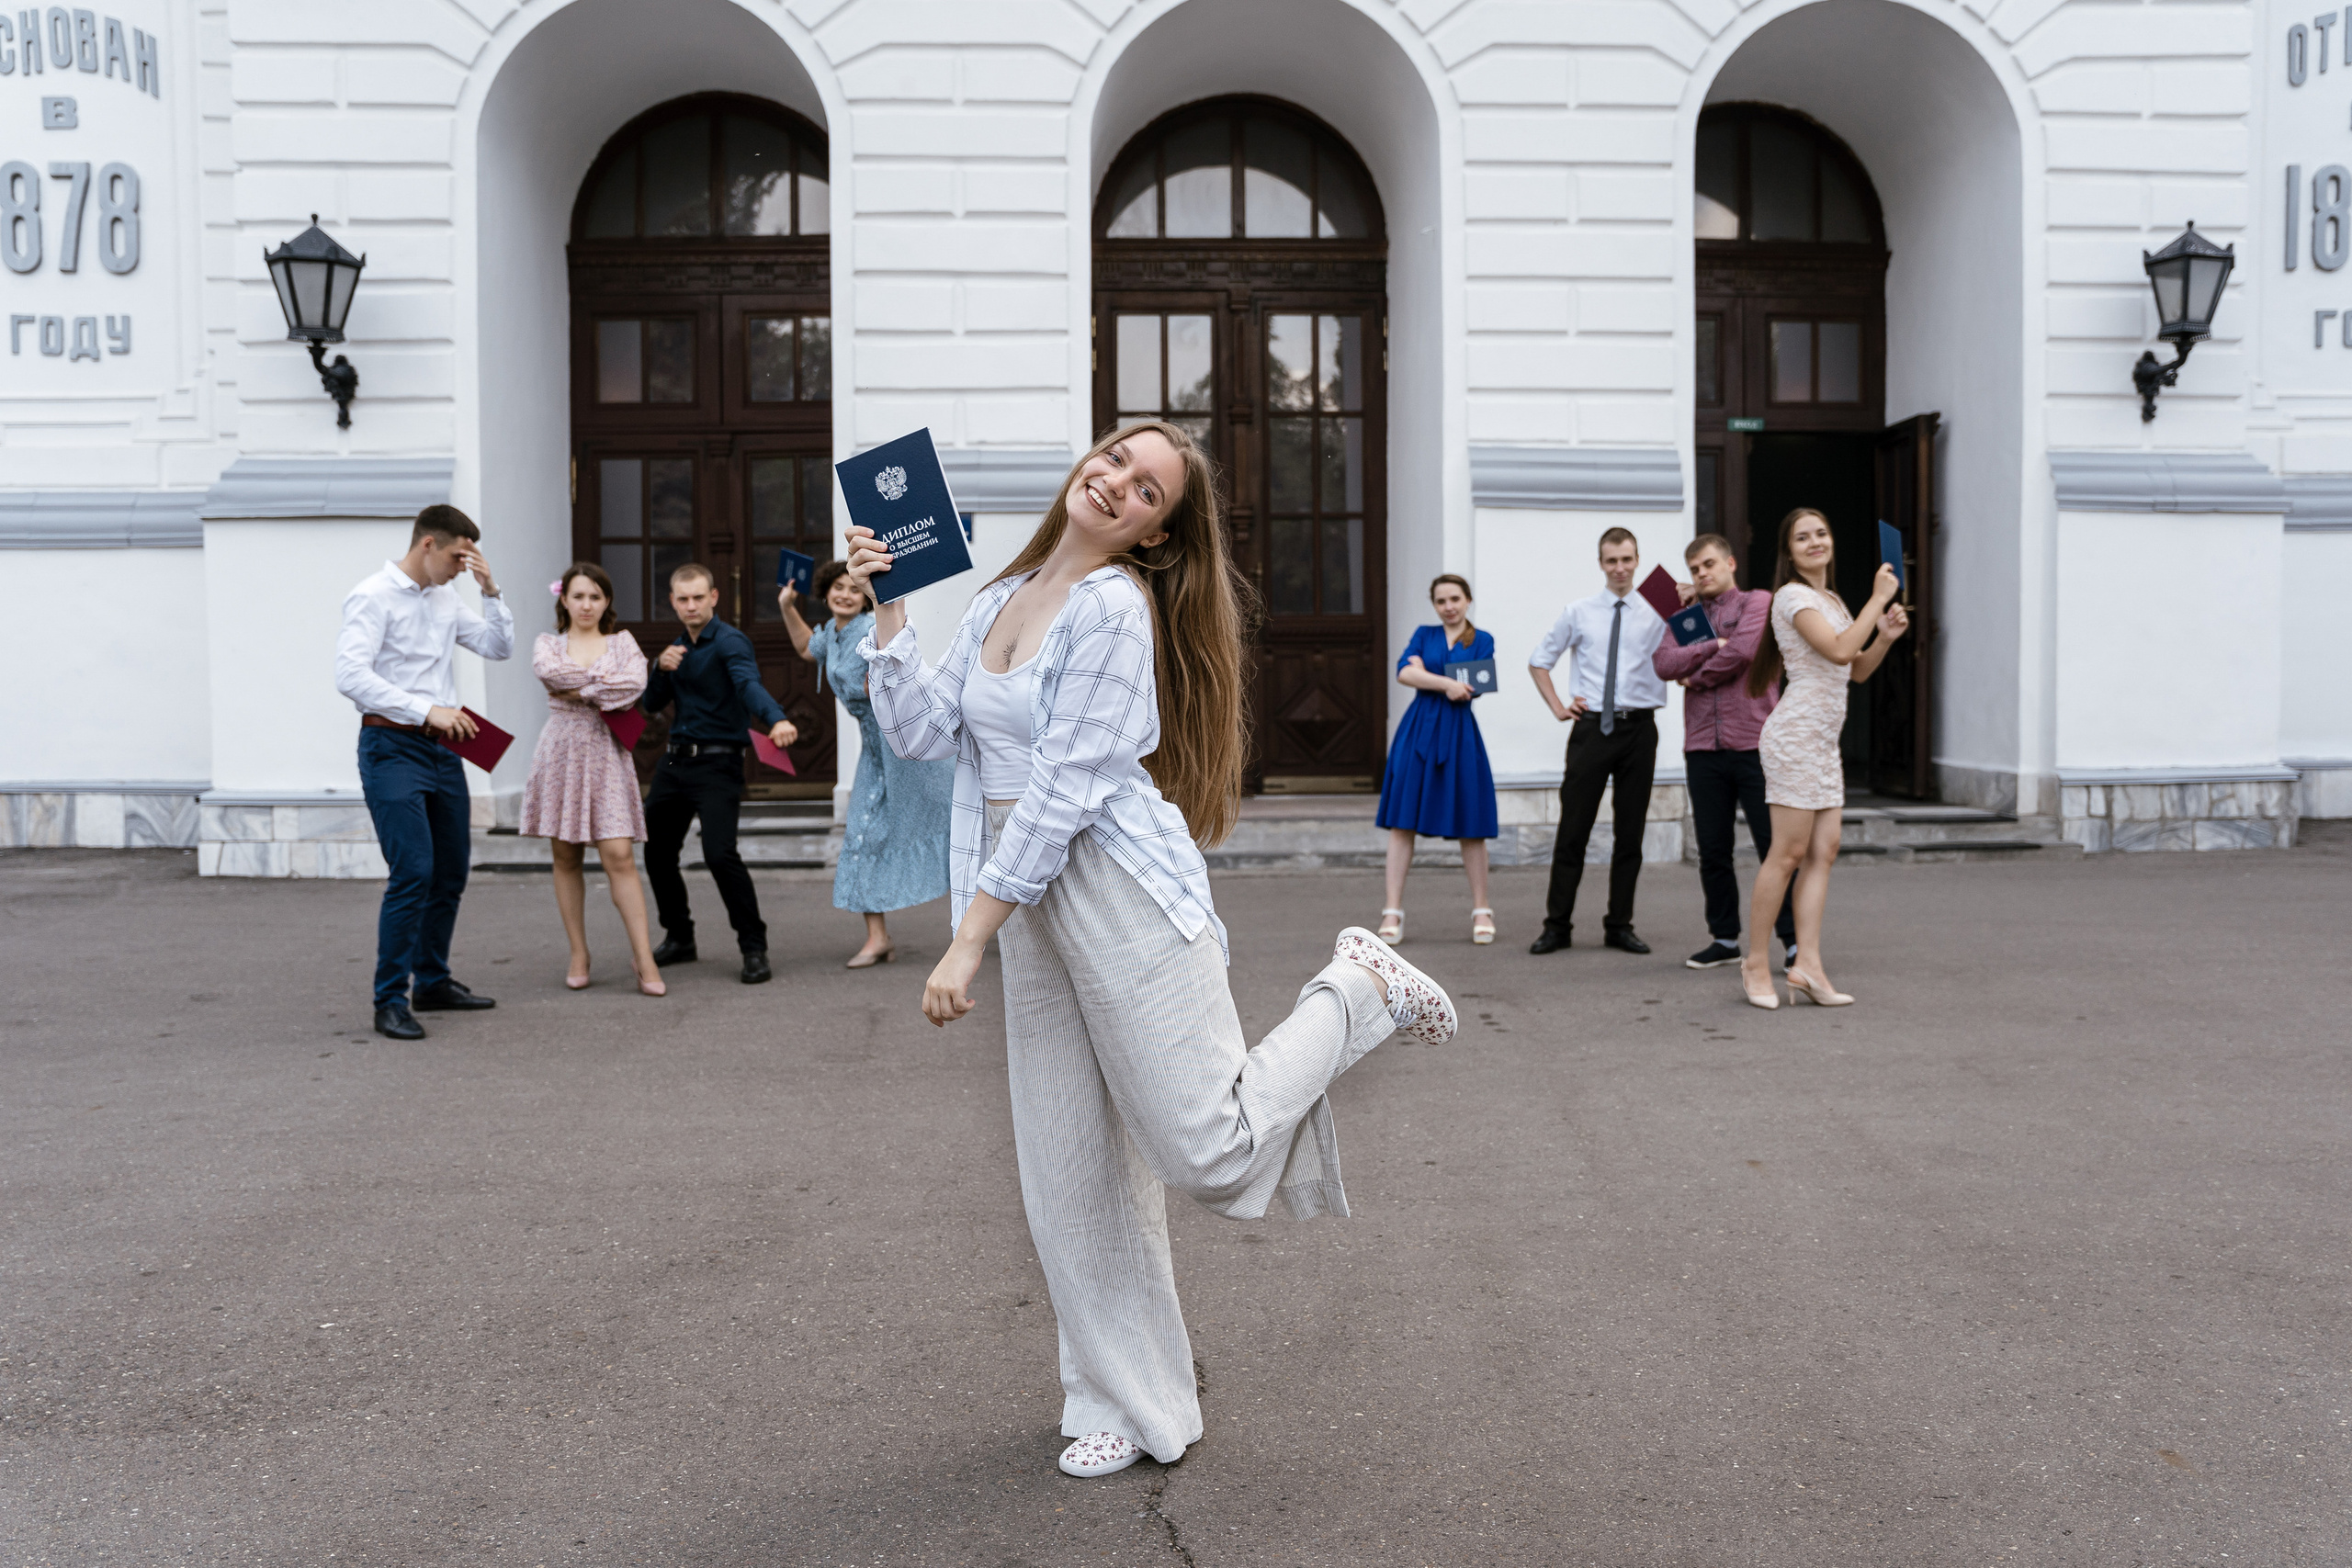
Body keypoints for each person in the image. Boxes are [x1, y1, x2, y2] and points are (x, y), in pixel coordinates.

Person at [847, 420, 1459, 1481]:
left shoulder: (1113, 609)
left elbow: (1065, 788)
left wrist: (965, 944)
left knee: (1206, 1149)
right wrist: (891, 606)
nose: (1116, 482)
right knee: (1069, 1169)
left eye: (1145, 490)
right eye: (1114, 460)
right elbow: (921, 733)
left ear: (1154, 537)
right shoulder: (1000, 595)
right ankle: (1121, 1400)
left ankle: (1360, 986)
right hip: (1026, 892)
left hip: (1110, 887)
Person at [333, 503, 513, 1042]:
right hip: (391, 745)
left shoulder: (447, 598)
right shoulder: (372, 595)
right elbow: (349, 675)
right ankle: (390, 999)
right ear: (428, 544)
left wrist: (491, 592)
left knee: (451, 870)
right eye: (460, 556)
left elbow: (497, 647)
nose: (464, 565)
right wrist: (423, 708)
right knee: (413, 870)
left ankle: (432, 981)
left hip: (445, 749)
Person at [1737, 507, 1909, 1010]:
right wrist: (1879, 598)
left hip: (1822, 743)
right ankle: (1753, 963)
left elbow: (1854, 670)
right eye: (1802, 537)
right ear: (1788, 551)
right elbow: (1836, 652)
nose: (1815, 542)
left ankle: (1807, 965)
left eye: (1822, 533)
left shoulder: (1831, 599)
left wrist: (1884, 636)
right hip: (1794, 738)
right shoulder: (1791, 596)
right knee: (1787, 854)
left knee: (1823, 852)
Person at [779, 559, 953, 967]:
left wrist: (879, 680)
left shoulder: (866, 632)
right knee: (861, 835)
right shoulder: (834, 634)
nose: (843, 594)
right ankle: (878, 938)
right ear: (826, 592)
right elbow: (808, 649)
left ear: (864, 597)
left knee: (959, 827)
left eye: (852, 589)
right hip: (875, 752)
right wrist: (787, 607)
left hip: (905, 748)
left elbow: (894, 669)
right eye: (837, 588)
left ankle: (1001, 927)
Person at [639, 562, 798, 986]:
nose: (691, 606)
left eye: (698, 598)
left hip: (717, 762)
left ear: (713, 597)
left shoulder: (730, 642)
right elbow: (650, 705)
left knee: (718, 853)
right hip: (674, 763)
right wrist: (660, 667)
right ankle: (680, 936)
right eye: (682, 599)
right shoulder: (676, 647)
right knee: (656, 853)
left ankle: (753, 947)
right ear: (673, 602)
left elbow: (748, 684)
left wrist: (776, 719)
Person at [1651, 535, 1798, 972]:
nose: (1702, 574)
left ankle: (1792, 942)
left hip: (1755, 743)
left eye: (1709, 564)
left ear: (1730, 563)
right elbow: (1662, 663)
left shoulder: (1758, 602)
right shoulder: (1686, 616)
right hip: (1702, 747)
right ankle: (1724, 939)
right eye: (1695, 569)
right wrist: (1708, 646)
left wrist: (1697, 678)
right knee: (1713, 849)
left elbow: (1746, 651)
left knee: (1775, 847)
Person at [520, 562, 663, 997]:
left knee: (618, 854)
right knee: (565, 855)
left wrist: (579, 689)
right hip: (560, 751)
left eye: (595, 597)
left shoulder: (621, 642)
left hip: (606, 750)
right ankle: (579, 952)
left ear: (606, 603)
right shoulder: (548, 642)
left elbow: (633, 685)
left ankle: (644, 957)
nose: (587, 605)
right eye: (579, 596)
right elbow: (550, 673)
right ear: (564, 599)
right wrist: (601, 684)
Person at [1525, 527, 1666, 956]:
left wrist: (1687, 595)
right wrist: (1558, 706)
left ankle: (1619, 924)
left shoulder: (1660, 606)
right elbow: (1539, 661)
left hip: (1639, 729)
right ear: (1601, 564)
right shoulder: (1579, 611)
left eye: (1627, 559)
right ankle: (1557, 925)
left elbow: (1698, 643)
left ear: (1638, 559)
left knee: (1631, 832)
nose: (1620, 568)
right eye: (1611, 560)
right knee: (1574, 830)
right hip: (1591, 731)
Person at [1373, 574, 1499, 945]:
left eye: (1455, 599)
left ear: (1468, 600)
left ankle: (1482, 909)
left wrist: (1424, 672)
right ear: (1434, 604)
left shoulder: (1482, 639)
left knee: (1471, 824)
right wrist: (1446, 682)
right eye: (1441, 601)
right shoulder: (1423, 633)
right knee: (1402, 822)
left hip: (1460, 735)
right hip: (1418, 733)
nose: (1449, 607)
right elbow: (1402, 672)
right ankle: (1392, 911)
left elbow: (1477, 684)